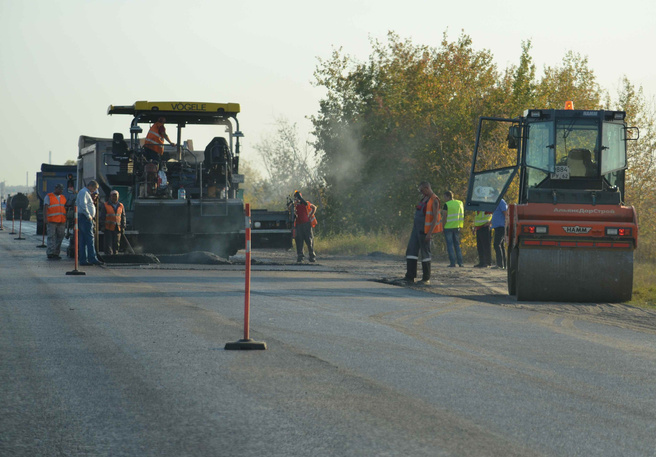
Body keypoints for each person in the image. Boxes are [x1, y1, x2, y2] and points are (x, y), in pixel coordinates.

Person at [403, 182, 441, 285]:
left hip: (425, 231)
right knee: (411, 251)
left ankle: (426, 278)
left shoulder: (434, 200)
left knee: (425, 254)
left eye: (422, 190)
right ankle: (410, 276)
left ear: (427, 188)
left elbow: (435, 219)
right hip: (416, 230)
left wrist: (429, 234)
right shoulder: (423, 199)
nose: (421, 193)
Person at [76, 180, 103, 266]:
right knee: (90, 238)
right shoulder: (84, 192)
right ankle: (92, 258)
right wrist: (88, 215)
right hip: (85, 218)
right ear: (90, 186)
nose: (94, 191)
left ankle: (83, 259)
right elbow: (83, 205)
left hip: (83, 217)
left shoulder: (84, 192)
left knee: (83, 240)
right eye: (94, 188)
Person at [290, 191, 317, 263]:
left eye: (298, 197)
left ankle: (312, 256)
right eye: (296, 197)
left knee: (309, 240)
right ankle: (300, 257)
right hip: (298, 225)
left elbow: (314, 207)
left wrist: (310, 216)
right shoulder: (295, 205)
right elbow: (290, 210)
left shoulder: (306, 203)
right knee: (299, 241)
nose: (297, 199)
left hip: (306, 224)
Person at [441, 190, 464, 268]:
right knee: (457, 245)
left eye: (445, 197)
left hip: (448, 227)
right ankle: (460, 263)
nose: (444, 199)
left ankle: (452, 263)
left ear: (448, 197)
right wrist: (461, 225)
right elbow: (461, 215)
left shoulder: (447, 204)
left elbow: (444, 217)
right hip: (457, 226)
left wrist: (442, 227)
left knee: (450, 245)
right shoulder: (460, 203)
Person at [99, 190, 126, 255]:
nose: (114, 197)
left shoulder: (121, 206)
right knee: (108, 244)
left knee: (116, 244)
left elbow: (123, 216)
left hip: (117, 228)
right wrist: (102, 226)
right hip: (108, 228)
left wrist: (123, 226)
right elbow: (102, 216)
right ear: (110, 197)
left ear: (118, 197)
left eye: (115, 196)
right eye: (113, 196)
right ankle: (108, 256)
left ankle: (115, 255)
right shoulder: (105, 205)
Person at [44, 183, 67, 259]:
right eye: (59, 189)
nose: (61, 191)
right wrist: (45, 218)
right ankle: (50, 253)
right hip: (52, 221)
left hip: (61, 221)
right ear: (56, 189)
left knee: (60, 237)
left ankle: (56, 253)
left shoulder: (63, 197)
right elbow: (45, 208)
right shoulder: (49, 196)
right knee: (51, 237)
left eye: (62, 190)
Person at [491, 198, 508, 269]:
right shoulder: (496, 202)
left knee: (496, 244)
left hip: (501, 227)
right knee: (501, 245)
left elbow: (506, 213)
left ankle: (500, 264)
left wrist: (506, 224)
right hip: (497, 227)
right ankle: (503, 264)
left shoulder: (501, 202)